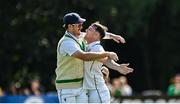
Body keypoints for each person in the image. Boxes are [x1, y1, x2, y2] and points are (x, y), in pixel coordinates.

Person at [55, 12, 124, 103]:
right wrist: (107, 53)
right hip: (67, 88)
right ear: (70, 27)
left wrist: (113, 36)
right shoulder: (66, 42)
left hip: (81, 87)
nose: (81, 27)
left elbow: (97, 34)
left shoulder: (79, 36)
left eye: (81, 24)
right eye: (78, 25)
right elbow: (84, 56)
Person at [83, 22, 133, 103]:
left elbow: (105, 59)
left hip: (98, 92)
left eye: (89, 29)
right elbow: (101, 34)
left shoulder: (97, 48)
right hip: (93, 91)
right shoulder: (87, 44)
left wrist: (118, 67)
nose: (85, 30)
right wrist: (112, 36)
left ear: (96, 35)